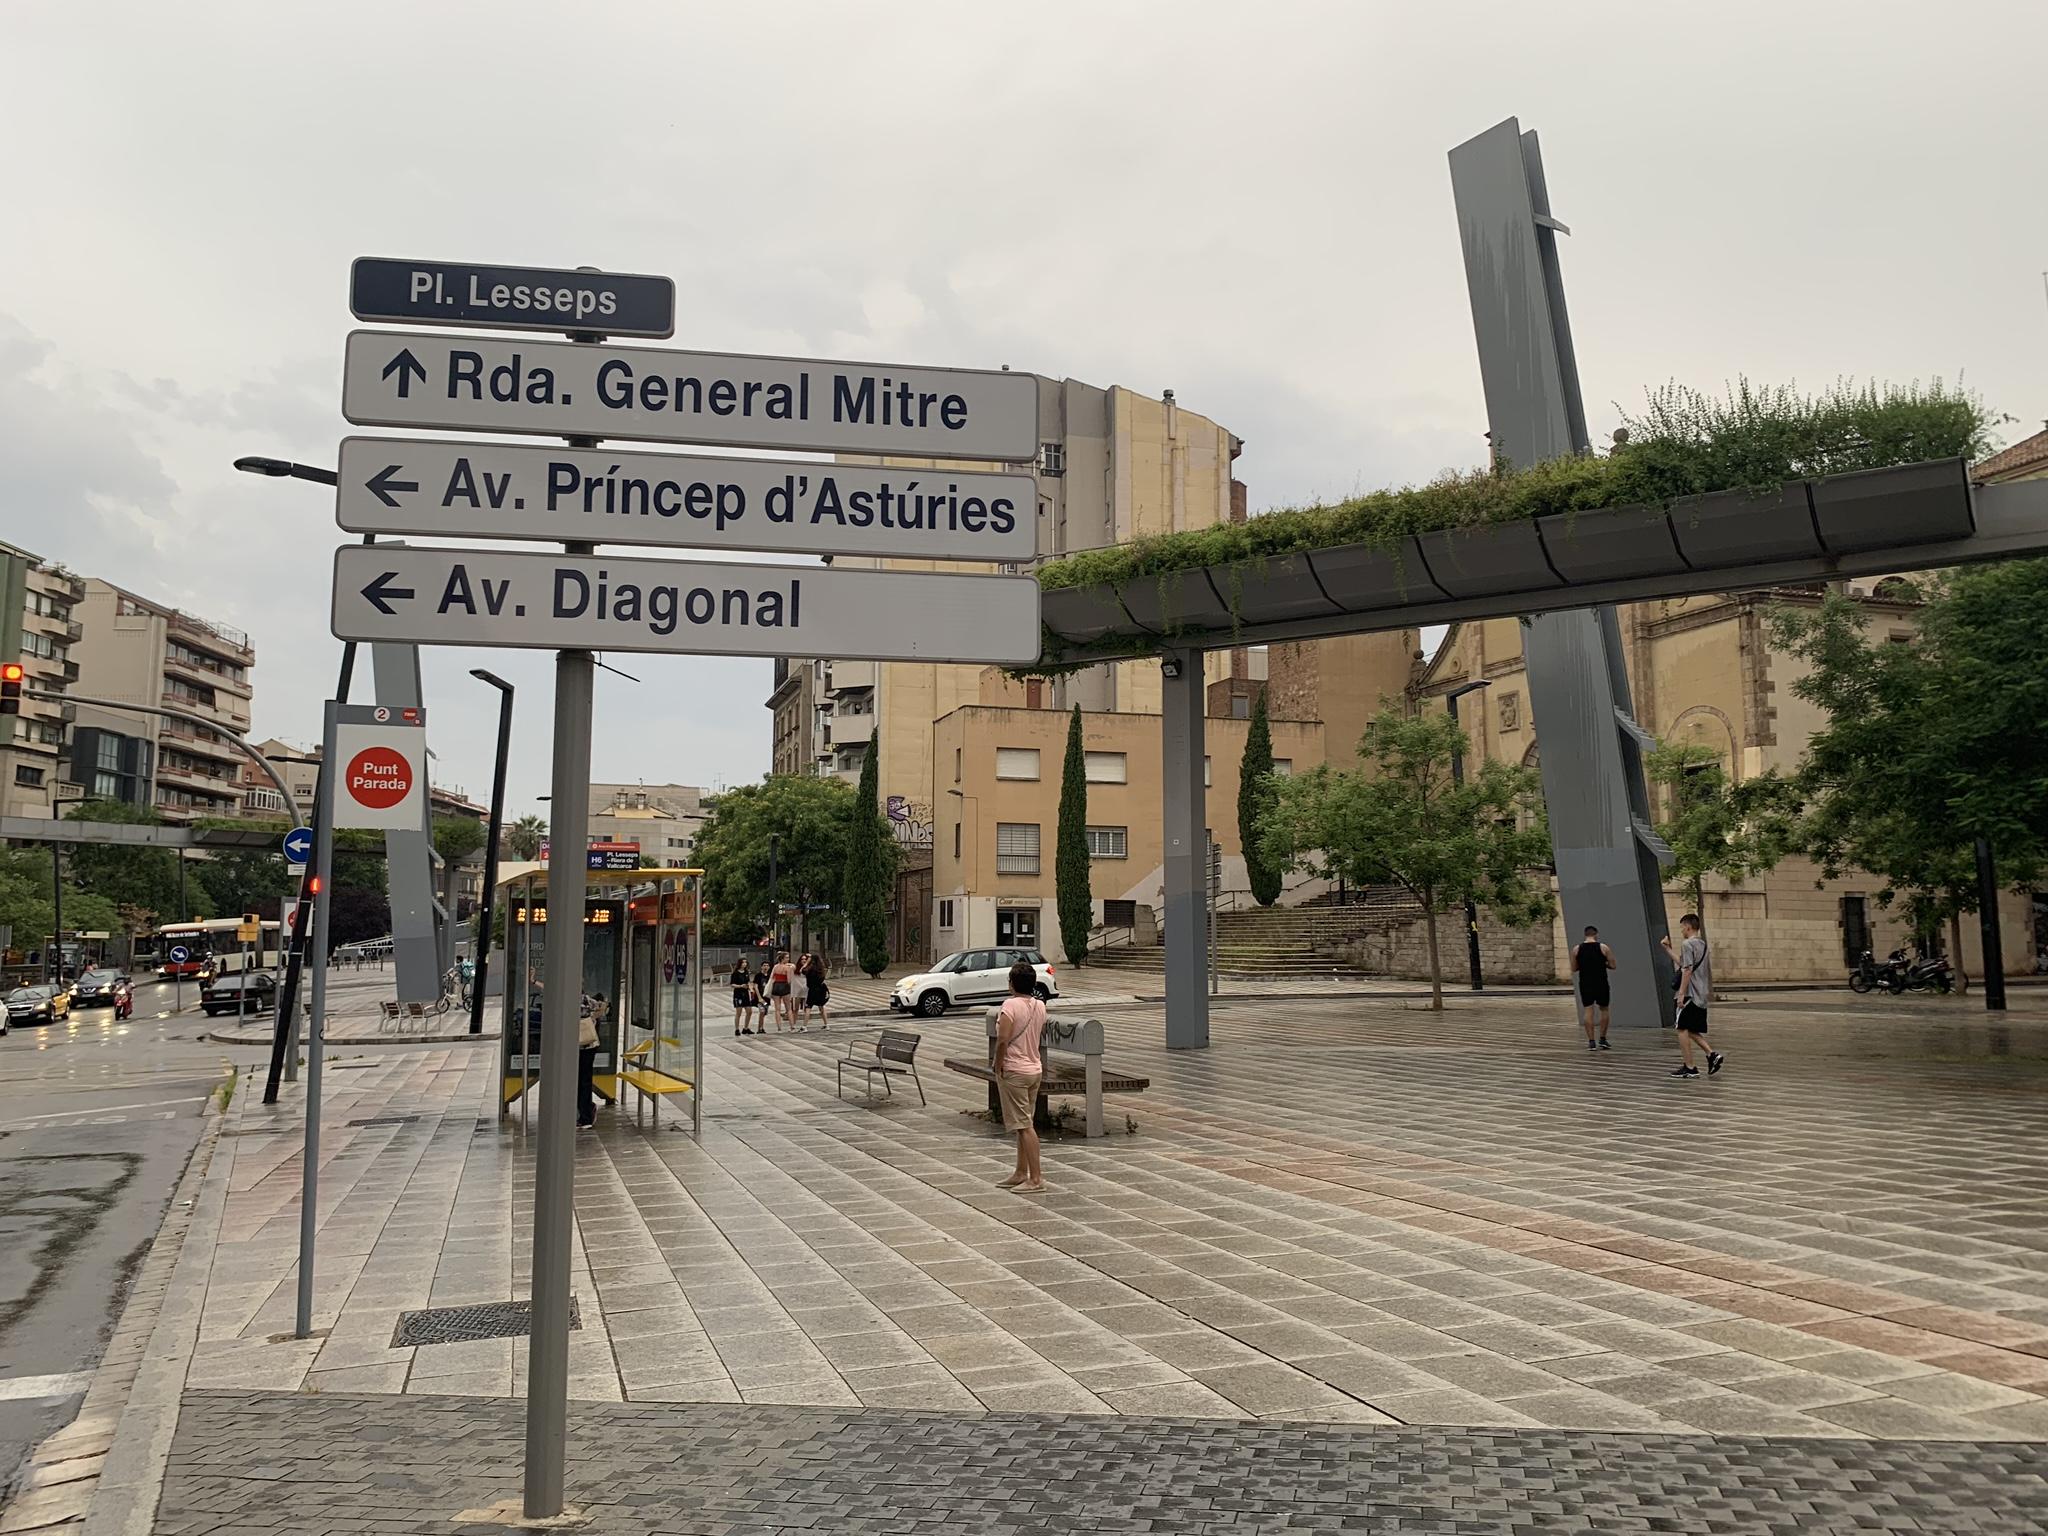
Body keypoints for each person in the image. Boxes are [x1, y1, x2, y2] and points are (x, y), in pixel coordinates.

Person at [994, 959, 1048, 1193]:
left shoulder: (1010, 1005)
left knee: (1024, 1125)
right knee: (1024, 1122)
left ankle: (1035, 1178)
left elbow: (1003, 1039)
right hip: (1034, 1068)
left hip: (1014, 1070)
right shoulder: (1040, 1006)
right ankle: (1020, 1172)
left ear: (1013, 984)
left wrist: (998, 1063)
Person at [1661, 915, 1723, 1079]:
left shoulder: (1687, 944)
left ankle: (1690, 1067)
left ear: (1688, 927)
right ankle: (1712, 1054)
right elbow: (1685, 964)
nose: (1681, 930)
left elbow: (1686, 970)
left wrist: (1681, 994)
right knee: (1691, 1028)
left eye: (1682, 927)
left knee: (1681, 1028)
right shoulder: (1702, 944)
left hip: (1690, 993)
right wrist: (1667, 950)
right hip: (1701, 993)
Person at [1570, 925, 1616, 1049]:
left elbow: (1574, 968)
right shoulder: (1603, 947)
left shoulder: (1577, 949)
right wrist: (1603, 963)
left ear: (1585, 934)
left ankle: (1591, 1041)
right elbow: (1613, 965)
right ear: (1596, 934)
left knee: (1588, 1010)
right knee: (1604, 1009)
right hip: (1601, 982)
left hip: (1585, 983)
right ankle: (1602, 1038)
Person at [575, 992, 600, 1129]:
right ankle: (585, 1112)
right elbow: (601, 1007)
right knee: (583, 1081)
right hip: (589, 1045)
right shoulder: (587, 999)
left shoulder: (579, 999)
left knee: (582, 1081)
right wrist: (593, 1020)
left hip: (584, 1046)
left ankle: (586, 1116)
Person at [768, 951, 795, 1031]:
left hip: (776, 985)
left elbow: (772, 976)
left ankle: (779, 1027)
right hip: (784, 985)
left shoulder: (775, 967)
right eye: (787, 957)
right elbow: (789, 980)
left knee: (777, 1008)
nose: (788, 959)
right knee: (788, 1008)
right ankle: (792, 1026)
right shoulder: (787, 968)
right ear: (782, 958)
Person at [731, 957, 756, 1035]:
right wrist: (740, 986)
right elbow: (732, 984)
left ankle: (745, 1027)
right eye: (743, 962)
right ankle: (737, 1029)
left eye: (745, 962)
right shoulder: (735, 973)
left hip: (745, 993)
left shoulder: (746, 972)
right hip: (738, 993)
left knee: (749, 1011)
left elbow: (748, 981)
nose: (744, 964)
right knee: (739, 1012)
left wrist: (750, 988)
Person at [805, 953, 830, 1028]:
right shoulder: (821, 969)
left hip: (812, 989)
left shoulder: (810, 970)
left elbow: (802, 971)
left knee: (808, 1007)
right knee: (821, 1006)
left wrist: (807, 963)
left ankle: (804, 1026)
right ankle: (826, 1024)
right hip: (821, 989)